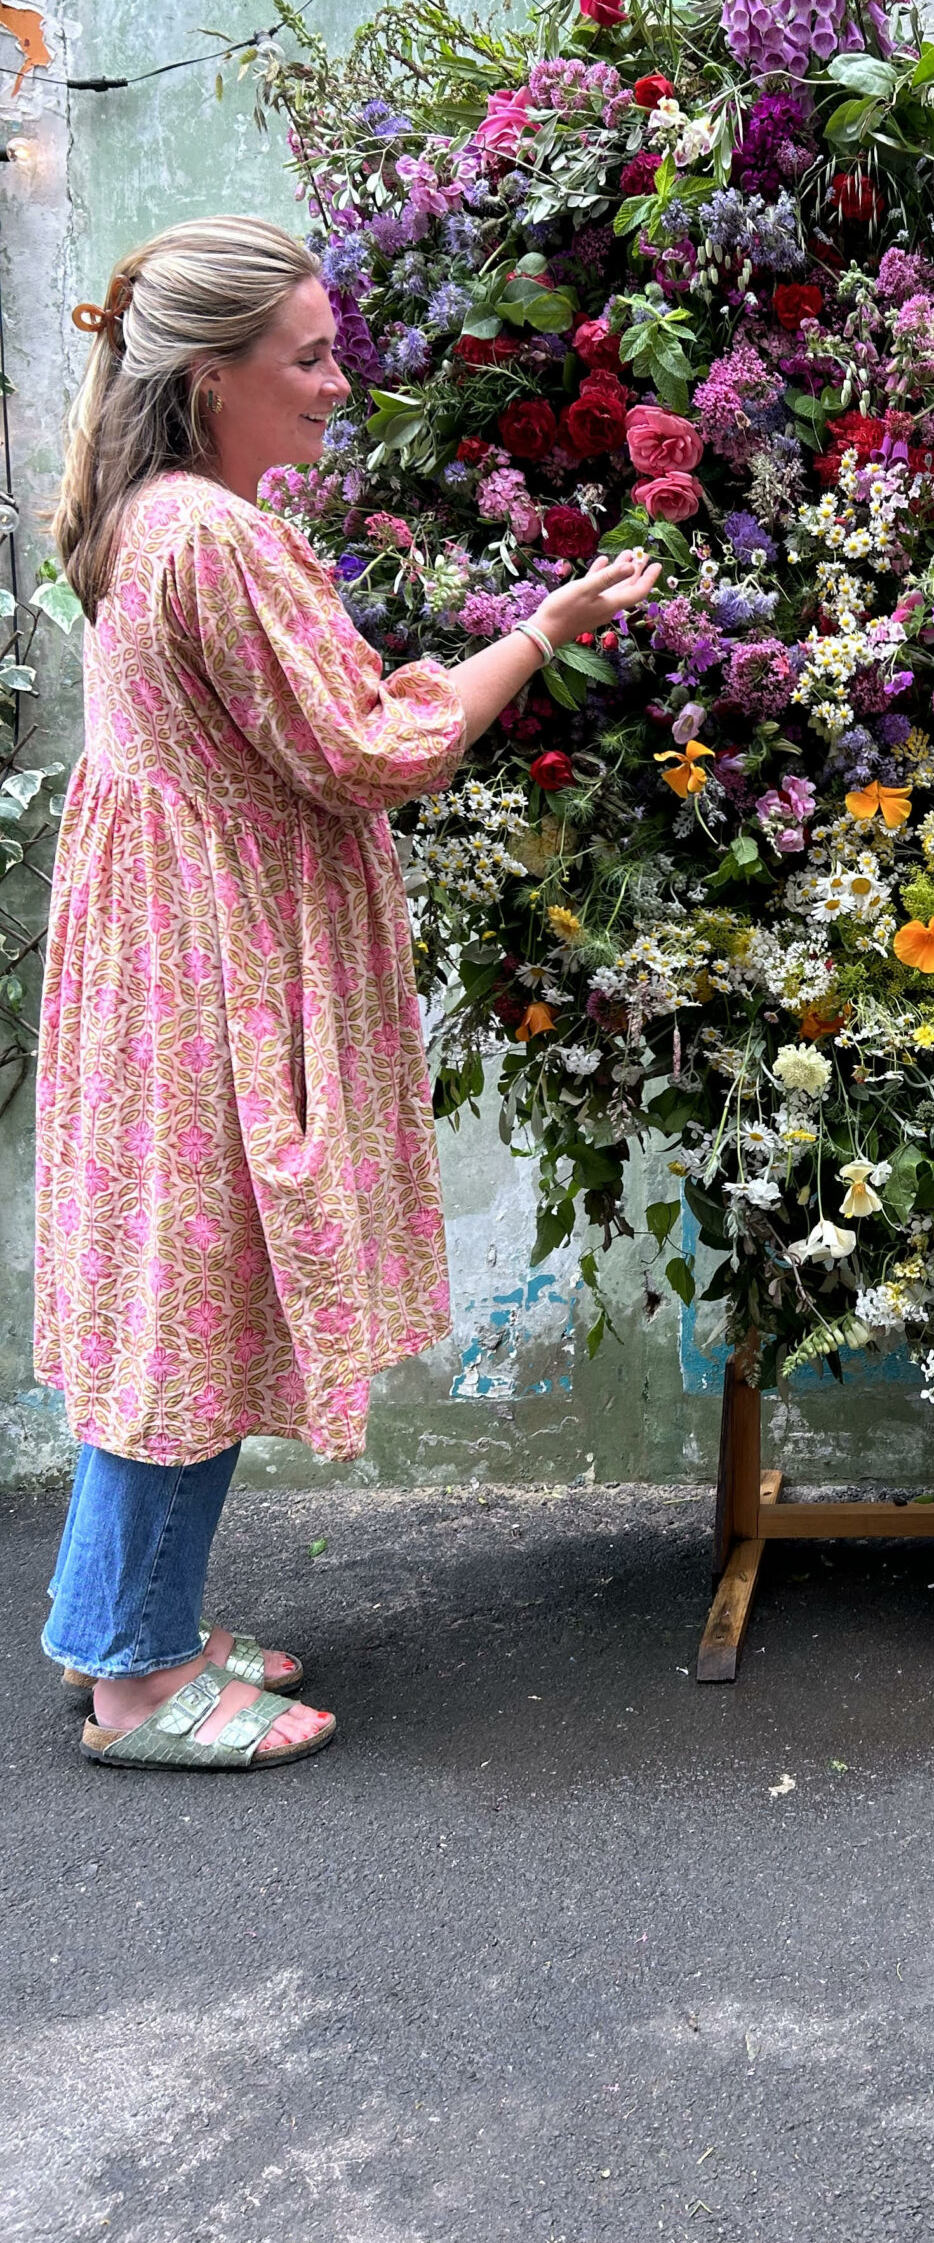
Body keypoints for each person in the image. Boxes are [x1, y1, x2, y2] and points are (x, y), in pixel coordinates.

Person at [35, 215, 658, 1769]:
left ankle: (125, 1628)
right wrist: (542, 633)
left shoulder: (149, 517)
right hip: (210, 963)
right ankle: (135, 1685)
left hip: (161, 951)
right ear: (211, 375)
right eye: (308, 358)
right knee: (192, 1303)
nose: (336, 384)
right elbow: (374, 750)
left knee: (175, 1290)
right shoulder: (214, 538)